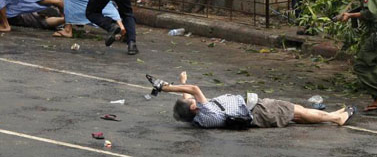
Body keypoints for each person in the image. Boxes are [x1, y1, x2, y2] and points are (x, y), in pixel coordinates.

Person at [147, 71, 356, 129]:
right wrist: (166, 88)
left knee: (295, 111)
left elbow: (188, 95)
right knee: (296, 111)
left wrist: (182, 80)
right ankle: (335, 119)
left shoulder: (198, 118)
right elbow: (194, 90)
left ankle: (332, 115)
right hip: (258, 110)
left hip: (255, 112)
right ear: (194, 107)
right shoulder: (206, 111)